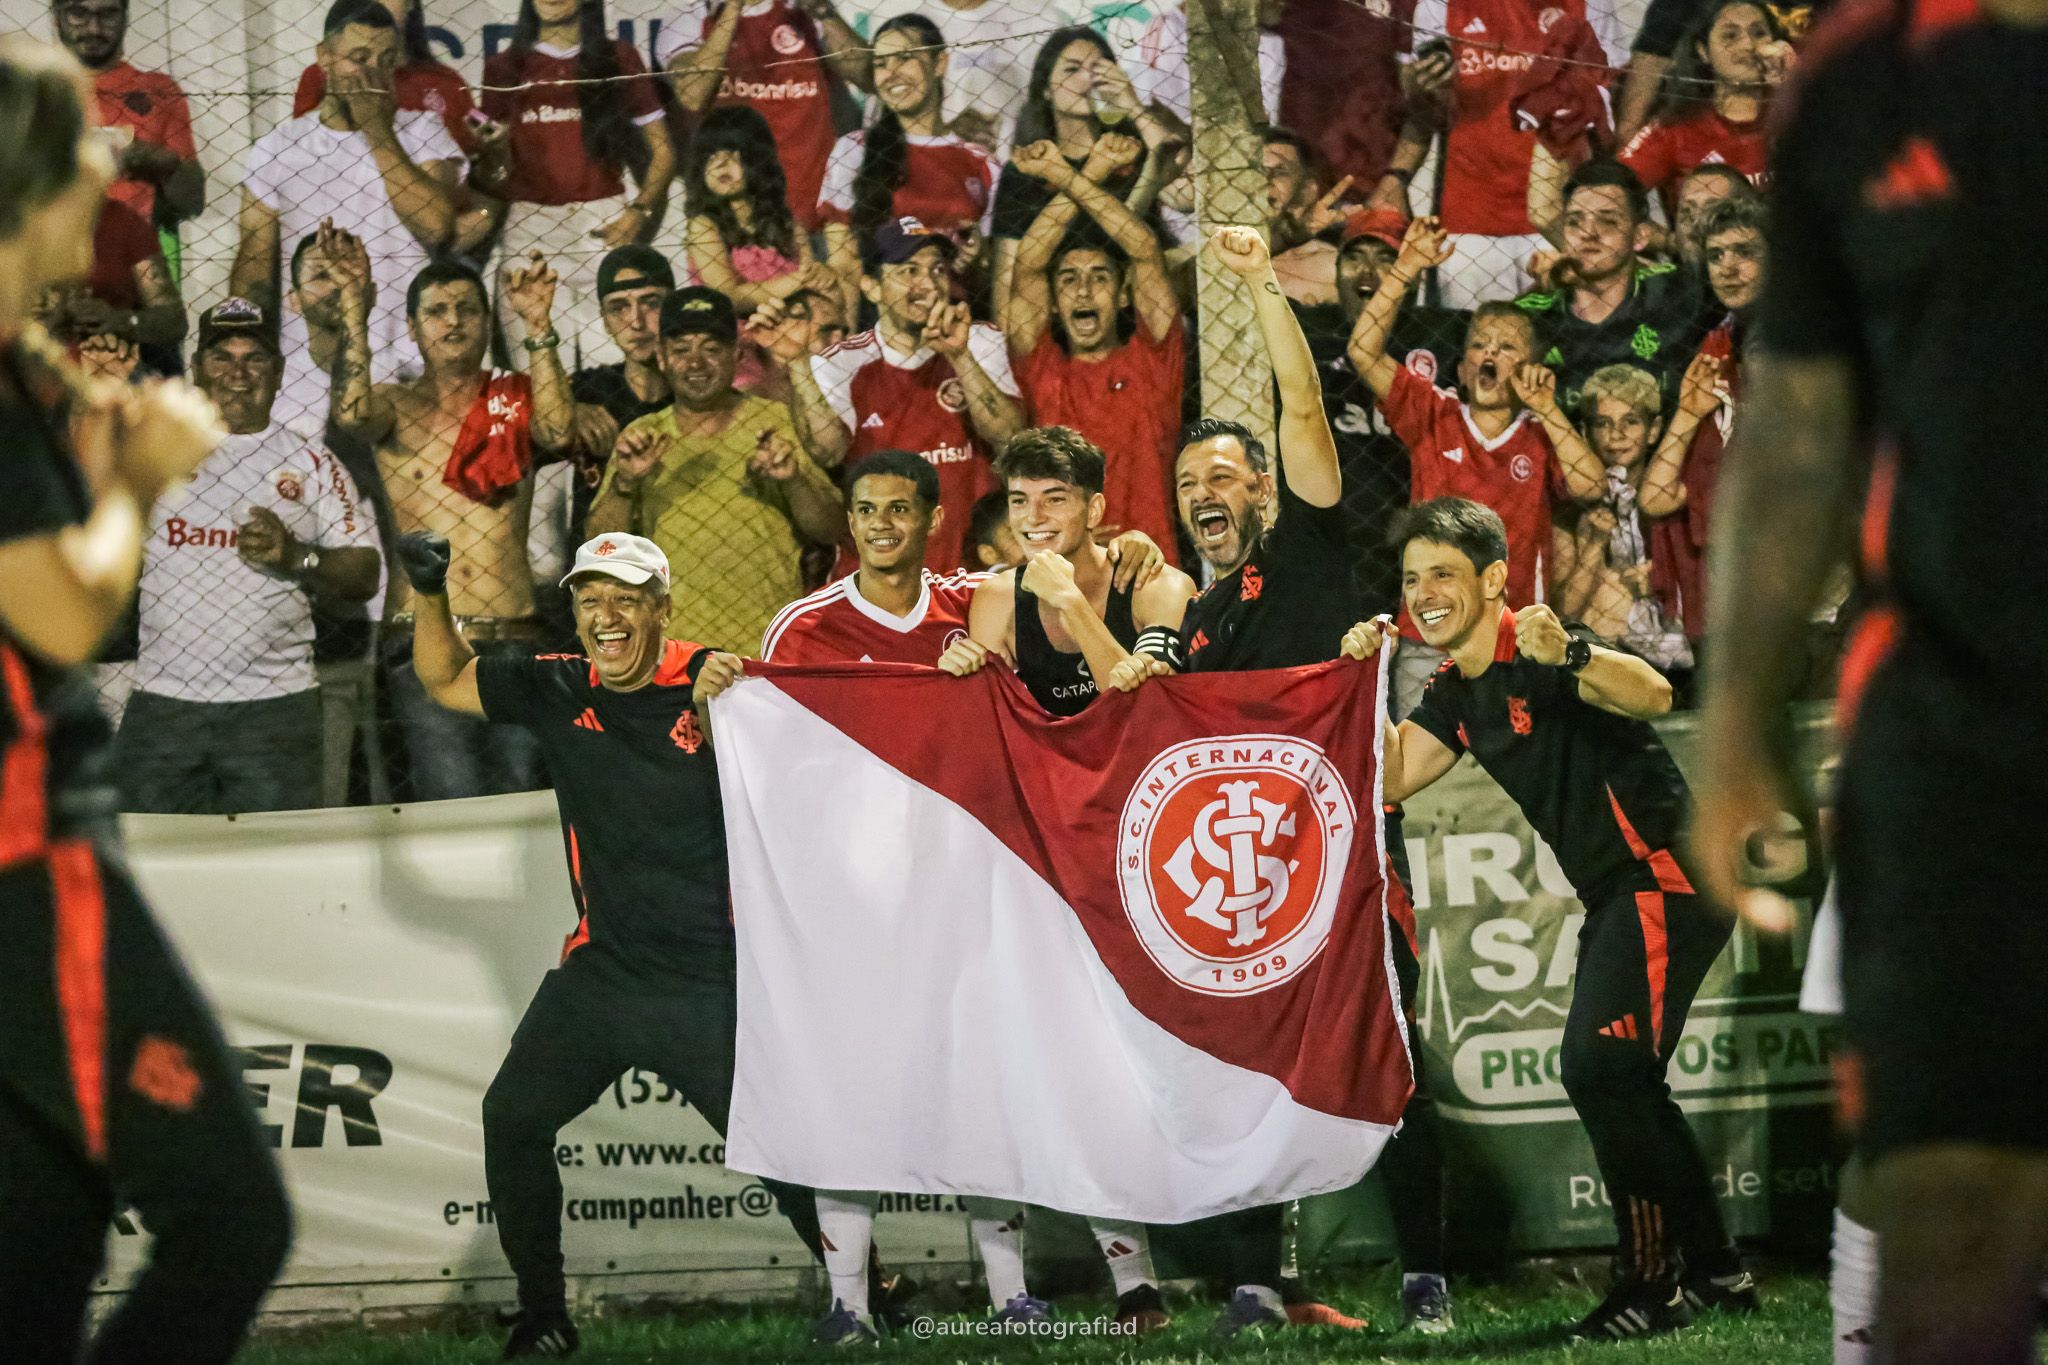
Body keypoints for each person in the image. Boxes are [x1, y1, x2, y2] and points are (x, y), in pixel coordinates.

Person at [1692, 3, 2048, 1357]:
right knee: (1947, 1214)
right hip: (1959, 722)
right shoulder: (1860, 78)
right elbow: (1797, 424)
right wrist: (1733, 724)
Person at [0, 38, 290, 1360]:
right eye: (84, 147)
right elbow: (59, 613)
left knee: (41, 1251)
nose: (110, 163)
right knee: (230, 1223)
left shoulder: (24, 364)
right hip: (27, 870)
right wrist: (136, 479)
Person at [393, 527, 826, 1356]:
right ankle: (544, 1316)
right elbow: (444, 678)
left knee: (779, 1144)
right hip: (604, 973)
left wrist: (727, 710)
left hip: (711, 977)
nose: (607, 615)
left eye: (627, 599)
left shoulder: (721, 684)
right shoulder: (559, 684)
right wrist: (430, 591)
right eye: (591, 599)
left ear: (663, 610)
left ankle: (870, 1292)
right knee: (511, 1117)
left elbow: (809, 774)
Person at [1341, 495, 1755, 1339]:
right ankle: (1719, 1273)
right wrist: (1360, 683)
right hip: (1620, 893)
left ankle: (1651, 1285)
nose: (1423, 594)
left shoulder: (1539, 641)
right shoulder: (1456, 690)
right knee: (1625, 1077)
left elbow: (1653, 692)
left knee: (1602, 1070)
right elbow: (1391, 774)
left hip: (1666, 875)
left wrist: (1572, 650)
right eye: (1412, 579)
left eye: (1443, 574)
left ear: (1494, 577)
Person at [1166, 226, 1451, 1337]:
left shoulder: (1306, 551)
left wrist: (1255, 287)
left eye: (1222, 475)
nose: (1205, 492)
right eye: (1187, 482)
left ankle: (1425, 1276)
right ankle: (1253, 1282)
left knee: (1387, 1051)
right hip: (1248, 881)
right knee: (1246, 1065)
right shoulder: (1195, 622)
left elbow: (1298, 408)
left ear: (1263, 491)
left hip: (1350, 857)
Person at [117, 299, 380, 815]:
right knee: (149, 853)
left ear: (278, 372)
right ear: (197, 368)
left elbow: (366, 572)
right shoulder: (157, 452)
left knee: (276, 854)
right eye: (222, 358)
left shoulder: (312, 461)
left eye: (254, 358)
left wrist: (297, 556)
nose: (238, 374)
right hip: (163, 701)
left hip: (275, 707)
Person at [333, 252, 573, 801]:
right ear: (413, 328)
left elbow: (560, 432)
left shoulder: (516, 398)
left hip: (514, 636)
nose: (453, 320)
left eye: (467, 308)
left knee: (521, 804)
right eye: (436, 311)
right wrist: (353, 311)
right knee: (449, 797)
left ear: (487, 322)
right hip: (426, 638)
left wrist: (538, 324)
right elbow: (351, 414)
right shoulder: (394, 405)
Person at [1347, 215, 1603, 715]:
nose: (1490, 354)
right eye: (1480, 345)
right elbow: (1362, 350)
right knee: (1420, 749)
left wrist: (1548, 409)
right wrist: (1406, 268)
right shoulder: (1434, 415)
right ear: (1463, 368)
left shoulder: (1541, 432)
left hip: (1517, 635)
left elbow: (1591, 487)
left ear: (1530, 366)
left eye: (1506, 347)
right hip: (1430, 633)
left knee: (1515, 752)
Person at [584, 286, 842, 654]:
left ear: (736, 354)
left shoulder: (776, 422)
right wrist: (625, 484)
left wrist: (794, 480)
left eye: (710, 349)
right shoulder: (642, 437)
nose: (696, 363)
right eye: (681, 350)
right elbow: (601, 549)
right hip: (674, 655)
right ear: (661, 357)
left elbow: (831, 530)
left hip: (766, 648)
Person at [230, 0, 462, 394]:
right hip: (310, 365)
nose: (373, 73)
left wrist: (376, 128)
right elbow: (254, 272)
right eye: (359, 58)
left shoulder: (422, 131)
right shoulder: (279, 147)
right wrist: (245, 347)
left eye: (385, 60)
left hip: (409, 359)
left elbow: (436, 226)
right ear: (325, 58)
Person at [788, 216, 1024, 574]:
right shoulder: (840, 362)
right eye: (909, 271)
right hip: (881, 574)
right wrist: (797, 364)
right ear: (872, 287)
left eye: (937, 270)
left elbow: (1009, 436)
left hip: (970, 570)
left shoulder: (979, 341)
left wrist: (959, 357)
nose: (928, 284)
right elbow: (828, 452)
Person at [1000, 136, 1183, 562]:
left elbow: (1144, 251)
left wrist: (1066, 175)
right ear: (1053, 302)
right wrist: (1091, 171)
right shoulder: (1043, 370)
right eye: (1068, 279)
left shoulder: (1152, 361)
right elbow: (1028, 262)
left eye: (1099, 277)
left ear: (1123, 295)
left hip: (1149, 571)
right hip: (1063, 568)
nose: (1083, 290)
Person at [940, 425, 1193, 710]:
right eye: (1020, 501)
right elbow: (993, 715)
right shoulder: (997, 598)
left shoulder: (1159, 585)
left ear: (1093, 511)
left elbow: (1151, 706)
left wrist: (1070, 601)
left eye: (1054, 499)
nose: (1033, 517)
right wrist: (961, 680)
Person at [480, 0, 675, 363]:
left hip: (602, 223)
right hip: (531, 229)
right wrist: (492, 152)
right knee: (540, 370)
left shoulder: (618, 58)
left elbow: (664, 152)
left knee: (620, 367)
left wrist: (639, 210)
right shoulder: (504, 67)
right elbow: (495, 172)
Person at [1294, 207, 1465, 614]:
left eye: (1386, 258)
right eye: (1354, 258)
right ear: (1336, 270)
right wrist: (1284, 238)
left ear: (1414, 272)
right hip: (1330, 541)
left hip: (1417, 537)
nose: (1368, 272)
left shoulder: (1446, 335)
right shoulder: (1309, 330)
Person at [1408, 0, 1613, 310]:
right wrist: (1425, 85)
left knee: (1564, 331)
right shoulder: (1439, 4)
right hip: (1470, 222)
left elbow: (1609, 104)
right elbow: (1420, 107)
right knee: (1475, 333)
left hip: (1561, 217)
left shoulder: (1592, 4)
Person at [1637, 193, 1764, 656]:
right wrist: (1689, 414)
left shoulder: (1806, 337)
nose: (1727, 267)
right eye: (1716, 255)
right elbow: (1657, 496)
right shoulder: (1716, 347)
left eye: (1744, 251)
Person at [816, 16, 999, 309]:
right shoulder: (853, 150)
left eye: (904, 58)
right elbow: (844, 265)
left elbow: (993, 281)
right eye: (881, 64)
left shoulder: (982, 163)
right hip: (882, 320)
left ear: (939, 63)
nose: (891, 74)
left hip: (959, 317)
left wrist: (977, 261)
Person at [988, 28, 1172, 310]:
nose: (1088, 79)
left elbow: (1181, 187)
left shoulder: (1133, 151)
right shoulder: (1028, 167)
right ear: (1046, 89)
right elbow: (1008, 276)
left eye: (1098, 69)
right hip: (1056, 314)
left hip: (1138, 306)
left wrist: (1131, 105)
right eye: (1072, 70)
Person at [660, 0, 870, 239]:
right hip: (737, 217)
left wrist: (823, 12)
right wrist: (733, 8)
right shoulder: (690, 16)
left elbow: (865, 76)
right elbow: (693, 95)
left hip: (813, 208)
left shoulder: (802, 9)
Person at [1514, 160, 1712, 408]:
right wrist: (1547, 286)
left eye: (1607, 221)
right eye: (1574, 221)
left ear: (1640, 236)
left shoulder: (1678, 291)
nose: (1588, 232)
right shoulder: (1531, 316)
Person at [1547, 364, 1691, 673]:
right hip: (1607, 651)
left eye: (1631, 421)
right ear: (1585, 433)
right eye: (1603, 423)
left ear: (1654, 429)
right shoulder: (1568, 507)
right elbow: (1562, 613)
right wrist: (1595, 545)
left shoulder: (1676, 492)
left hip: (1681, 643)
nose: (1617, 434)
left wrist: (1662, 579)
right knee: (1607, 588)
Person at [50, 0, 203, 241]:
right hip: (45, 249)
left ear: (125, 17)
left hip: (134, 251)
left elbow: (192, 203)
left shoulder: (159, 91)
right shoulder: (28, 89)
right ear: (56, 16)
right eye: (78, 13)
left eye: (108, 14)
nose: (94, 28)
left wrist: (159, 161)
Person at [1617, 0, 1790, 202]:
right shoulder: (1676, 128)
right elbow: (1612, 190)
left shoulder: (1797, 114)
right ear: (1703, 51)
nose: (1748, 45)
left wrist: (1794, 80)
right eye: (1730, 36)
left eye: (1759, 33)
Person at [680, 105, 836, 314]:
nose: (721, 165)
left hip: (791, 319)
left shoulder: (786, 223)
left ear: (757, 160)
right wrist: (798, 281)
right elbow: (727, 297)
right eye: (711, 157)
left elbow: (811, 275)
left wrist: (817, 275)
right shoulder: (704, 226)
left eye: (733, 155)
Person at [566, 244, 676, 539]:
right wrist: (568, 409)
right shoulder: (586, 389)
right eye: (619, 308)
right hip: (600, 557)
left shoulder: (699, 390)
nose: (636, 322)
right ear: (604, 319)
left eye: (650, 303)